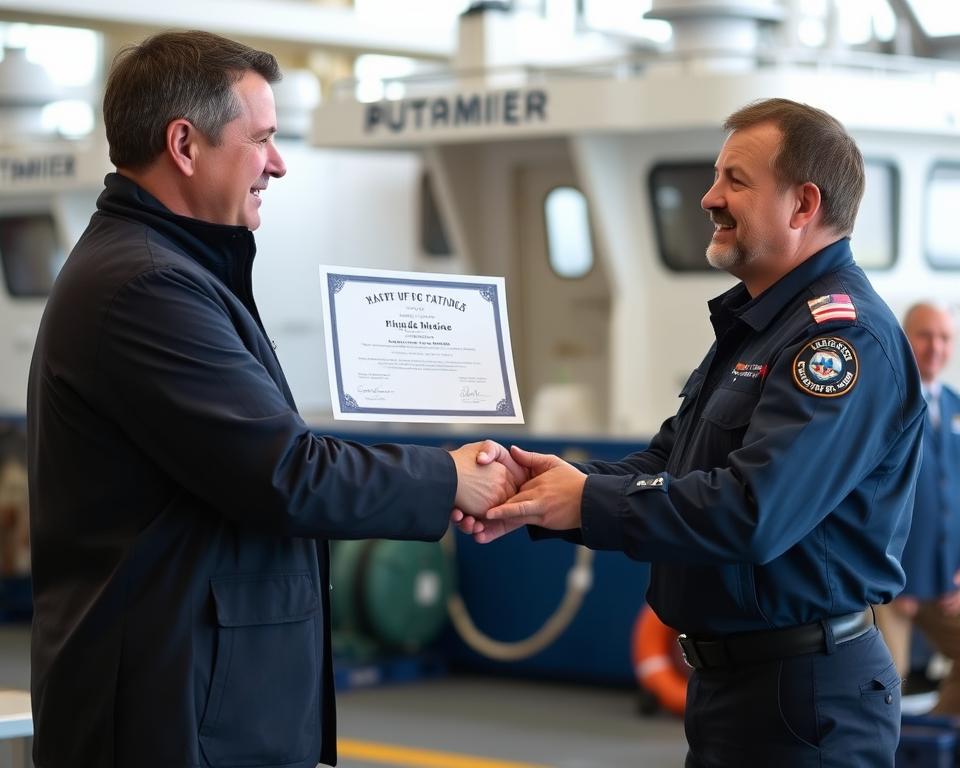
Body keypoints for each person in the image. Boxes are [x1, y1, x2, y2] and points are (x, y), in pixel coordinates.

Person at [27, 31, 523, 768]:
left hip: (196, 698)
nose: (279, 163)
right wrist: (452, 477)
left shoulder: (173, 272)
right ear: (185, 143)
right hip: (168, 713)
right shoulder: (147, 287)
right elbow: (285, 475)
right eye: (262, 138)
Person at [458, 98, 925, 766]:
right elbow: (668, 461)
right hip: (735, 687)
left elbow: (753, 510)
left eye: (736, 180)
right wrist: (541, 489)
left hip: (804, 699)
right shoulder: (760, 327)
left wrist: (588, 502)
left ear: (803, 205)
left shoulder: (841, 340)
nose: (710, 197)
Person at [876, 301, 960, 713]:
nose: (936, 347)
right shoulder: (883, 402)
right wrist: (897, 579)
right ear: (906, 339)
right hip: (891, 581)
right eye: (925, 335)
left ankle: (934, 739)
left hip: (946, 581)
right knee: (888, 681)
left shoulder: (955, 405)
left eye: (945, 337)